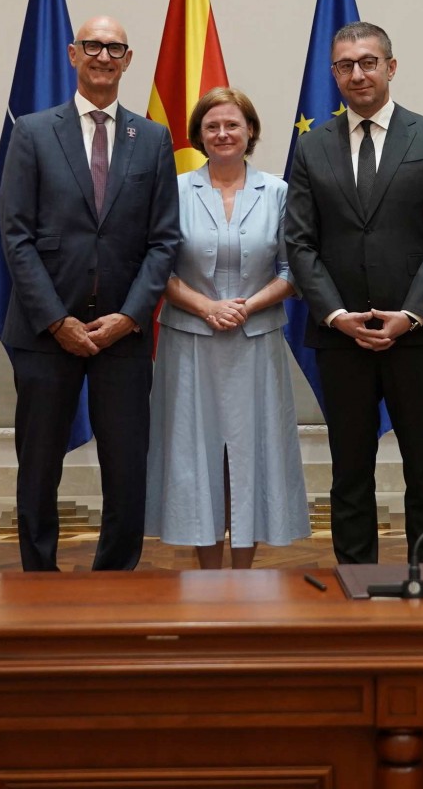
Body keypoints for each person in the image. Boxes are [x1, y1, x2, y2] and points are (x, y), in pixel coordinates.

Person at [0, 16, 179, 571]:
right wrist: (58, 321)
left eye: (115, 48)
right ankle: (39, 575)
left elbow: (164, 241)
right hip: (44, 331)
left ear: (128, 60)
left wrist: (130, 317)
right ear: (73, 54)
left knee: (126, 467)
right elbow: (16, 237)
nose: (104, 56)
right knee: (38, 465)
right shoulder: (33, 132)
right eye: (93, 46)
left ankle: (115, 578)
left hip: (123, 334)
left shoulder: (152, 138)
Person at [284, 21, 423, 566]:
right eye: (345, 65)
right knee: (349, 469)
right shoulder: (312, 146)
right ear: (334, 74)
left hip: (417, 335)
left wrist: (410, 314)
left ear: (390, 66)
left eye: (368, 62)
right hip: (341, 337)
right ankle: (355, 576)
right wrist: (335, 314)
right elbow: (299, 242)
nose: (357, 74)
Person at [145, 88, 309, 568]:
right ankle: (209, 578)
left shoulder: (278, 192)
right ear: (198, 135)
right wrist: (206, 307)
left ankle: (243, 576)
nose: (222, 134)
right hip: (189, 345)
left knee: (250, 456)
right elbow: (156, 266)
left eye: (232, 124)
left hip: (255, 345)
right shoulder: (174, 190)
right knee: (196, 458)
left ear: (250, 131)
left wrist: (245, 307)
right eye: (212, 126)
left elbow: (293, 270)